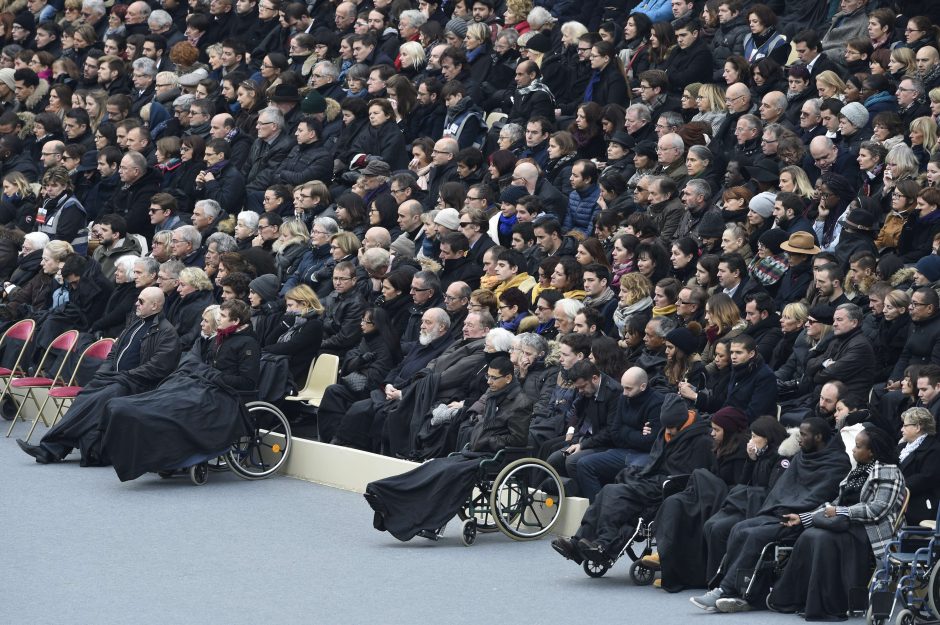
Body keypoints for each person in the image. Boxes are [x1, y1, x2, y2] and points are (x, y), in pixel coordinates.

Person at [364, 355, 531, 541]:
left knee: (449, 472)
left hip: (496, 457)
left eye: (494, 378)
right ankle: (385, 493)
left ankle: (418, 518)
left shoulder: (521, 403)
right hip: (477, 451)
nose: (489, 381)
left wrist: (487, 439)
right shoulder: (494, 396)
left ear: (508, 378)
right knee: (434, 466)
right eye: (488, 377)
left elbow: (517, 440)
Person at [691, 418, 851, 613]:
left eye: (804, 435)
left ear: (818, 437)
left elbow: (821, 494)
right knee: (739, 528)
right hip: (779, 510)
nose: (799, 439)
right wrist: (778, 506)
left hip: (801, 519)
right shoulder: (803, 457)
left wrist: (797, 511)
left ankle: (725, 590)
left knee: (754, 535)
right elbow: (784, 488)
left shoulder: (837, 462)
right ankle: (737, 588)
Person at [16, 286, 181, 465]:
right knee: (84, 395)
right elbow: (114, 352)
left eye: (141, 301)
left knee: (99, 399)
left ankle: (49, 448)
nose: (136, 304)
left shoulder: (167, 332)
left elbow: (157, 367)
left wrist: (125, 375)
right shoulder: (135, 322)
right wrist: (103, 372)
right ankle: (51, 448)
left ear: (156, 306)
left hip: (138, 385)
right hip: (115, 379)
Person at [100, 299, 262, 481]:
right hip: (205, 386)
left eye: (223, 316)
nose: (219, 319)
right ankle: (164, 457)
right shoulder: (221, 338)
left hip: (225, 395)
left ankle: (172, 456)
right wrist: (206, 373)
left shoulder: (248, 344)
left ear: (236, 322)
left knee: (175, 409)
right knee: (163, 399)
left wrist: (212, 375)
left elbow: (247, 382)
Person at [551, 394, 715, 564]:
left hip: (668, 487)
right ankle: (578, 541)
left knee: (615, 494)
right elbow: (655, 460)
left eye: (671, 427)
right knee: (608, 490)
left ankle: (604, 544)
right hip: (652, 479)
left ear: (681, 422)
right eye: (666, 426)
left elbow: (690, 476)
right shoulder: (668, 431)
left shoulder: (700, 441)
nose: (667, 431)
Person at [763, 426, 905, 619]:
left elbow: (876, 510)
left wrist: (840, 511)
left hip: (869, 529)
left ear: (872, 451)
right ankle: (796, 599)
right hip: (845, 523)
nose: (853, 450)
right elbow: (838, 501)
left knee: (823, 539)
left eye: (858, 446)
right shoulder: (858, 470)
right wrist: (804, 518)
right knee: (809, 535)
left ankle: (827, 605)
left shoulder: (889, 472)